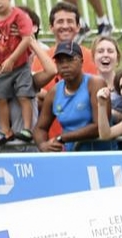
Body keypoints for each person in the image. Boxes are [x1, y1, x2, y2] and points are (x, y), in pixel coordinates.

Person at [30, 1, 98, 139]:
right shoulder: (39, 60)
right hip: (52, 139)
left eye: (70, 21)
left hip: (86, 139)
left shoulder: (91, 57)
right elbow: (32, 95)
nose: (65, 26)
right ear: (51, 27)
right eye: (60, 21)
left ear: (78, 27)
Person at [33, 41, 116, 152]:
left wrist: (63, 137)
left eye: (70, 60)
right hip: (71, 156)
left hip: (101, 155)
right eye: (60, 62)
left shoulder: (95, 84)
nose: (65, 65)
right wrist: (43, 145)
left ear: (81, 61)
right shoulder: (54, 92)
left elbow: (99, 126)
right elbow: (40, 128)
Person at [0, 0, 34, 146]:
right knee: (0, 98)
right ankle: (5, 131)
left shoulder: (19, 15)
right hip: (1, 67)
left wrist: (12, 59)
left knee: (24, 96)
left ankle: (27, 129)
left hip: (20, 66)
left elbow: (26, 39)